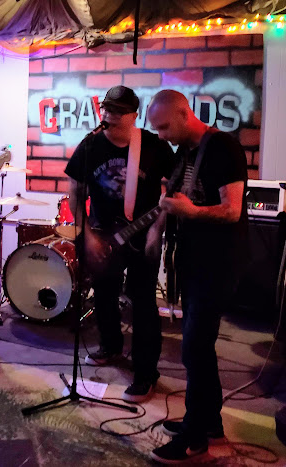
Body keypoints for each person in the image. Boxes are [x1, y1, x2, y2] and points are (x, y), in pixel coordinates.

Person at [146, 90, 249, 464]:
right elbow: (175, 199)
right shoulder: (185, 152)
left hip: (218, 263)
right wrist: (158, 228)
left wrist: (191, 212)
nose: (161, 135)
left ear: (184, 114)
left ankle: (193, 440)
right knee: (199, 349)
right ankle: (210, 425)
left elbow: (232, 210)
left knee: (193, 348)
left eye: (164, 127)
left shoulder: (223, 148)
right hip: (192, 261)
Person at [64, 85, 176, 402]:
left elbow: (176, 188)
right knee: (104, 295)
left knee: (142, 302)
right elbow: (75, 192)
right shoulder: (90, 146)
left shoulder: (153, 146)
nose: (110, 115)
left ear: (134, 115)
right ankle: (110, 347)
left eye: (118, 111)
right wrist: (86, 235)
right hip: (102, 234)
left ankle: (145, 373)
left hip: (142, 235)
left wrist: (157, 228)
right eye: (106, 109)